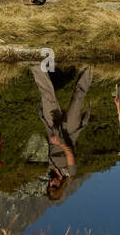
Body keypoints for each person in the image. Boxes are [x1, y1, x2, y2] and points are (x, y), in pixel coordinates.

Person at [32, 65, 93, 200]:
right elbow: (70, 153)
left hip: (53, 129)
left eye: (49, 186)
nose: (51, 183)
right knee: (77, 97)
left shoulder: (50, 171)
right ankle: (87, 67)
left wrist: (53, 137)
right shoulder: (70, 173)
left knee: (47, 96)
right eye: (54, 186)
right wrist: (60, 143)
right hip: (69, 132)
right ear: (60, 186)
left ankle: (35, 64)